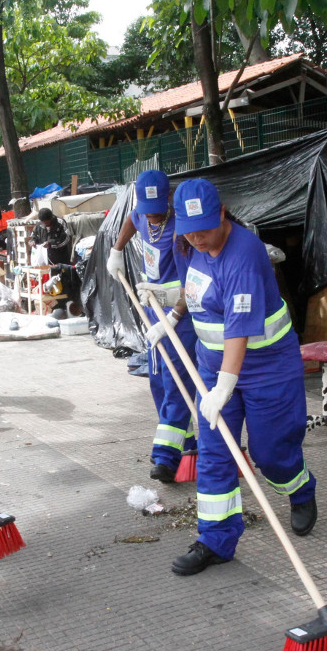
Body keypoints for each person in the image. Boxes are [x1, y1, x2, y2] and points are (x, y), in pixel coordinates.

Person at [148, 178, 317, 575]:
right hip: (212, 365)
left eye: (205, 229)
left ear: (222, 213)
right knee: (214, 452)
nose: (199, 238)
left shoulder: (245, 253)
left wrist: (224, 386)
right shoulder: (188, 242)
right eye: (191, 231)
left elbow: (239, 330)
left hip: (266, 369)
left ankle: (300, 487)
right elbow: (193, 291)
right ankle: (215, 540)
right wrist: (172, 320)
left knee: (271, 453)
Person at [107, 170, 197, 484]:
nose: (153, 215)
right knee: (158, 381)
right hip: (151, 312)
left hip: (179, 312)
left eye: (159, 208)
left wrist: (174, 316)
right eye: (148, 209)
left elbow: (192, 284)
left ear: (168, 198)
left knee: (176, 383)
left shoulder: (181, 228)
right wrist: (117, 250)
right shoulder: (143, 213)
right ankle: (186, 442)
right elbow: (132, 219)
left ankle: (165, 457)